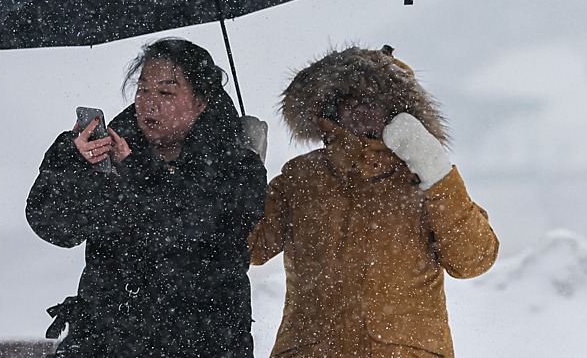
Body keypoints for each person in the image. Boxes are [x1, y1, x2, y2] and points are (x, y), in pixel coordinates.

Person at [249, 45, 499, 357]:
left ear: (398, 106)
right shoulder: (301, 177)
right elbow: (248, 247)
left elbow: (473, 260)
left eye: (374, 97)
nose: (360, 107)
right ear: (330, 107)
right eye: (348, 98)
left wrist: (435, 169)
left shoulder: (423, 176)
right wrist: (238, 176)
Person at [26, 38, 268, 357]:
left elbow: (187, 227)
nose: (149, 103)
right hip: (109, 343)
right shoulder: (112, 156)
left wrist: (135, 170)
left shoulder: (236, 167)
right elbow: (54, 225)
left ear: (201, 102)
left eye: (166, 92)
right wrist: (71, 161)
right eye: (143, 90)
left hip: (202, 344)